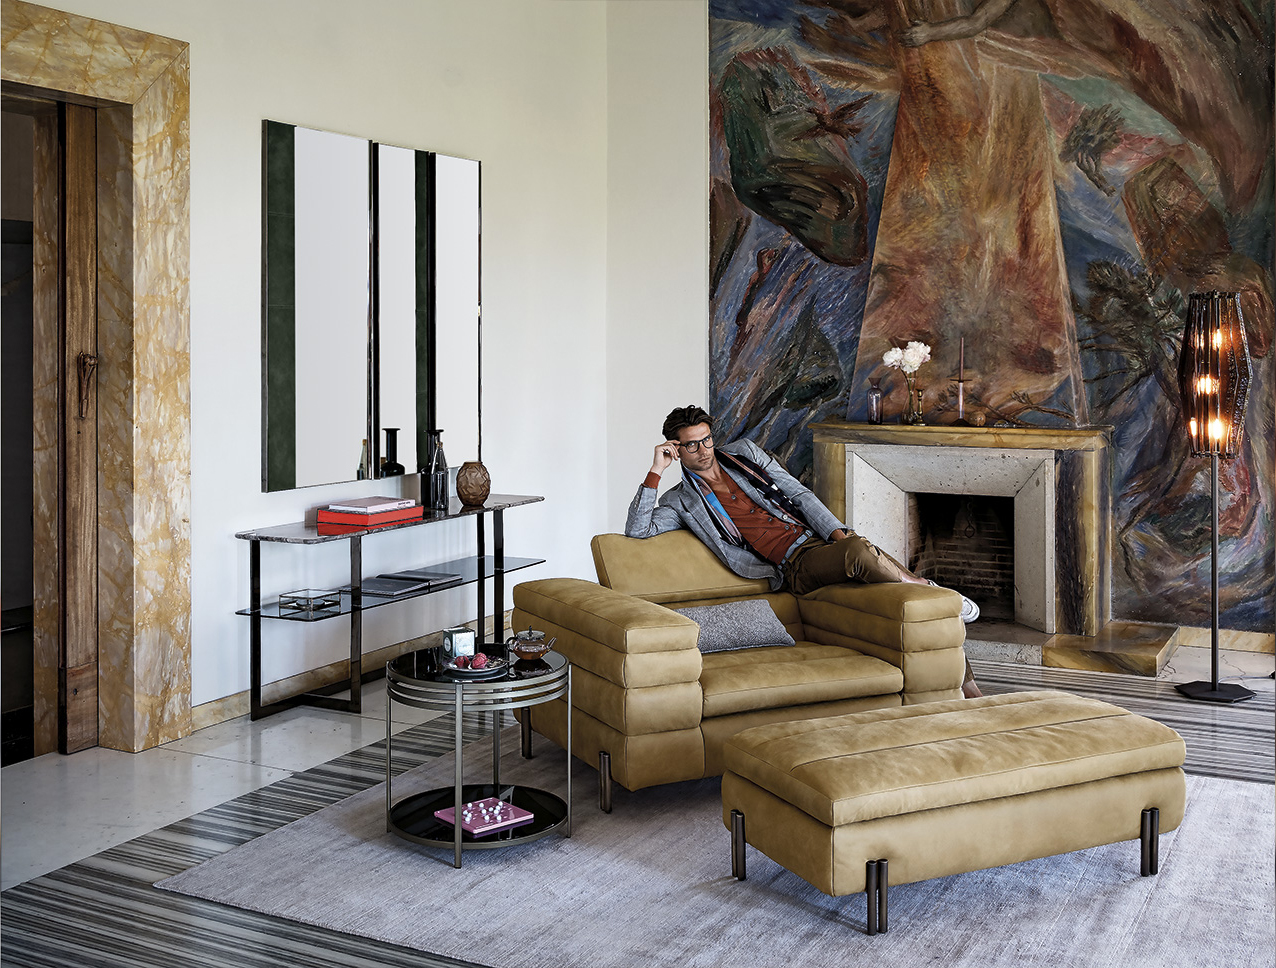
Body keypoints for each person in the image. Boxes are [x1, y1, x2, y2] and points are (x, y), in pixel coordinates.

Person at [626, 405, 983, 698]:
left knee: (908, 598)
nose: (704, 450)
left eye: (706, 440)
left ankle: (969, 687)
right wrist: (656, 470)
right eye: (691, 445)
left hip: (821, 541)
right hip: (793, 567)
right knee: (862, 553)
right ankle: (931, 588)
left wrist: (837, 534)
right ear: (675, 449)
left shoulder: (745, 454)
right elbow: (638, 530)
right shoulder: (680, 502)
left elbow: (798, 493)